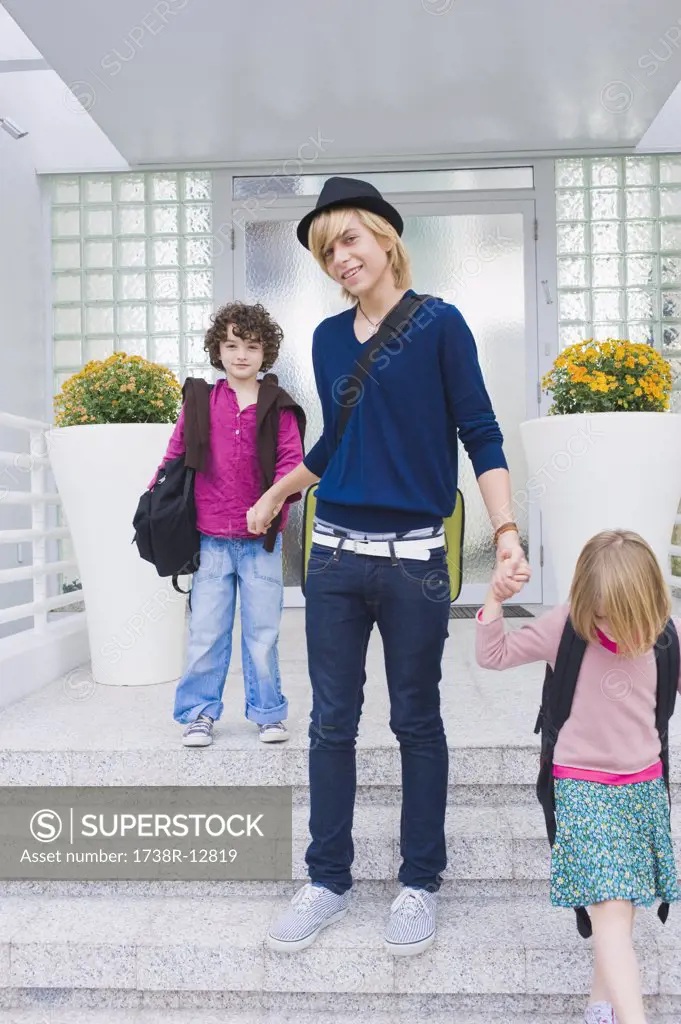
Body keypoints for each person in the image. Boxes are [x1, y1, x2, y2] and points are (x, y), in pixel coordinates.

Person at [247, 176, 530, 955]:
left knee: (416, 721)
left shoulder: (441, 324)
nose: (338, 258)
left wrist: (504, 529)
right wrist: (277, 492)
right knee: (330, 724)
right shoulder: (328, 339)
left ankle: (417, 882)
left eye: (348, 240)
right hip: (333, 558)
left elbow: (480, 431)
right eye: (324, 249)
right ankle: (327, 878)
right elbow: (334, 446)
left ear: (383, 237)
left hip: (414, 565)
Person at [476, 529, 680, 1024]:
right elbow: (492, 655)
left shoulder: (666, 637)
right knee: (610, 907)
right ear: (587, 600)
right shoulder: (565, 628)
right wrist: (494, 599)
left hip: (644, 788)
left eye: (627, 617)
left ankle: (598, 1006)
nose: (617, 629)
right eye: (605, 615)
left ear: (649, 603)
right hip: (582, 788)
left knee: (620, 908)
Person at [151, 302, 305, 747]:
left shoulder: (280, 406)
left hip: (262, 544)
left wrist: (271, 505)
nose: (241, 354)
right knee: (206, 633)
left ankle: (268, 714)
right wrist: (154, 499)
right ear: (218, 349)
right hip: (211, 541)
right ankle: (199, 714)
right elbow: (174, 454)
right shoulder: (200, 400)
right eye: (232, 344)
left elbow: (292, 465)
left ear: (266, 352)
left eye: (252, 346)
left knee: (262, 634)